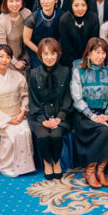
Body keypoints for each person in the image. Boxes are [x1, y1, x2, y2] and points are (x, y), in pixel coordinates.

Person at [70, 37, 108, 187]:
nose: (101, 56)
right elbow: (77, 98)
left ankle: (101, 169)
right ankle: (90, 170)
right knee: (103, 130)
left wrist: (107, 113)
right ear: (89, 53)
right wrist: (93, 116)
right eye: (97, 52)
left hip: (105, 112)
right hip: (85, 114)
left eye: (103, 53)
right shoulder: (79, 70)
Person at [0, 44, 35, 178]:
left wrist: (22, 112)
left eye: (8, 57)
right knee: (12, 132)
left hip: (19, 115)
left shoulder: (17, 76)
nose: (4, 60)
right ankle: (6, 166)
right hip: (0, 118)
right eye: (1, 56)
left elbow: (25, 95)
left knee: (25, 130)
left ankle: (23, 166)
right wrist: (8, 119)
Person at [27, 38, 71, 180]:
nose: (49, 57)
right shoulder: (33, 74)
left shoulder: (66, 71)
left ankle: (56, 162)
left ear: (58, 54)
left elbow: (68, 98)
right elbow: (33, 100)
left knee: (56, 135)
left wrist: (59, 117)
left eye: (53, 53)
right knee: (44, 136)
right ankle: (47, 163)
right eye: (45, 54)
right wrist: (43, 120)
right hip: (39, 115)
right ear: (40, 55)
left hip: (60, 115)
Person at [58, 0, 100, 67]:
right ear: (71, 5)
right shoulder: (64, 20)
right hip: (69, 58)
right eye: (76, 5)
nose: (80, 9)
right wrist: (76, 63)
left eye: (83, 5)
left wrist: (86, 59)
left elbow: (93, 42)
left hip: (89, 57)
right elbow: (66, 45)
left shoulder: (93, 18)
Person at [0, 0, 31, 72]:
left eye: (17, 0)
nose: (14, 4)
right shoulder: (1, 21)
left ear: (21, 2)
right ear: (6, 2)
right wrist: (15, 63)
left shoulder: (27, 13)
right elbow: (3, 47)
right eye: (11, 1)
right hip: (10, 60)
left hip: (27, 58)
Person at [23, 0, 61, 68]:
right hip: (37, 51)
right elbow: (26, 40)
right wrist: (41, 52)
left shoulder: (61, 15)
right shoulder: (33, 18)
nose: (45, 2)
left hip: (55, 51)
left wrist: (54, 52)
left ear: (56, 0)